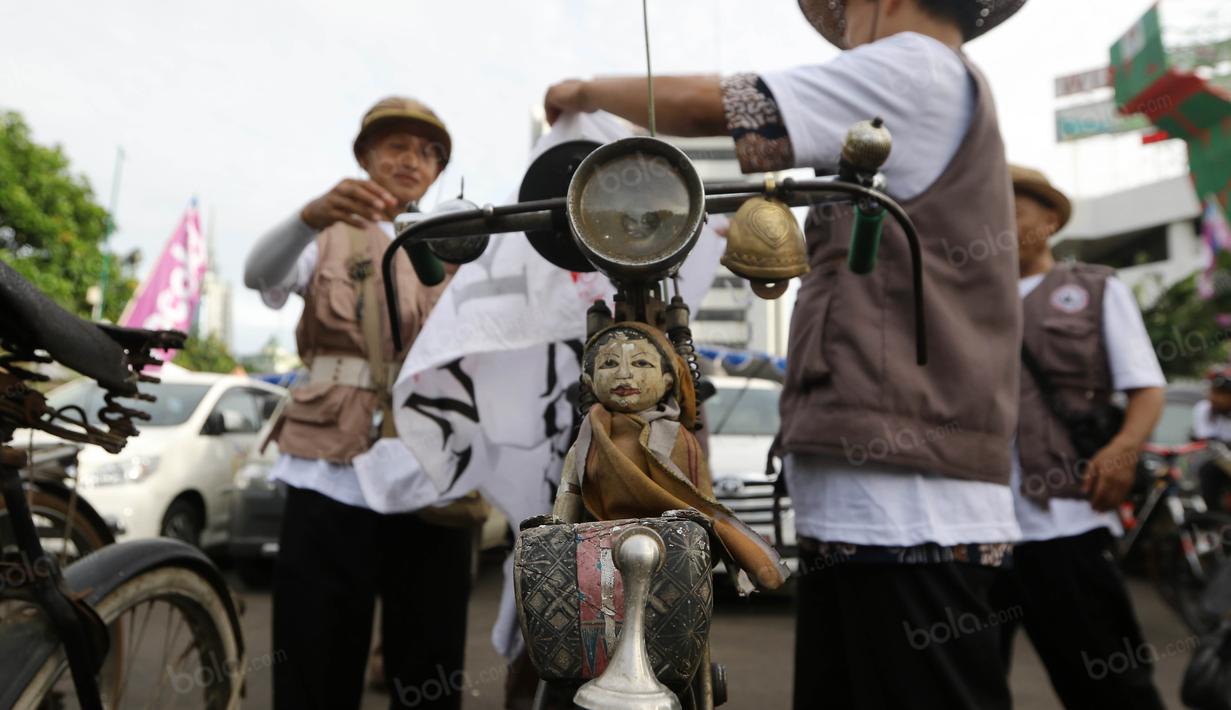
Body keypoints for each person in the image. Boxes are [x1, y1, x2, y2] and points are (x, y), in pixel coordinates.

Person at [545, 1, 1028, 707]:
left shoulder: (914, 66)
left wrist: (583, 93)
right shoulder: (936, 80)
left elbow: (716, 105)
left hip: (906, 506)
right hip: (887, 496)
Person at [243, 97, 475, 710]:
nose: (413, 160)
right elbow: (256, 273)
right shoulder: (328, 232)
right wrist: (307, 217)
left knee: (430, 661)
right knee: (313, 657)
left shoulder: (455, 249)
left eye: (428, 153)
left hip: (428, 474)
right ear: (365, 156)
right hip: (329, 465)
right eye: (397, 145)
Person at [990, 165, 1166, 709]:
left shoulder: (1093, 288)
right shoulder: (965, 299)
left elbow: (1147, 387)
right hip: (978, 529)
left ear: (1049, 220)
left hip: (1069, 523)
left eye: (1012, 211)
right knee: (965, 688)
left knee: (1110, 687)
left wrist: (1123, 449)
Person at [1193, 367, 1231, 513]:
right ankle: (1212, 515)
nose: (1213, 397)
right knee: (1208, 470)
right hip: (1216, 462)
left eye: (1220, 393)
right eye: (1213, 391)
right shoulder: (1204, 409)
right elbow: (1206, 441)